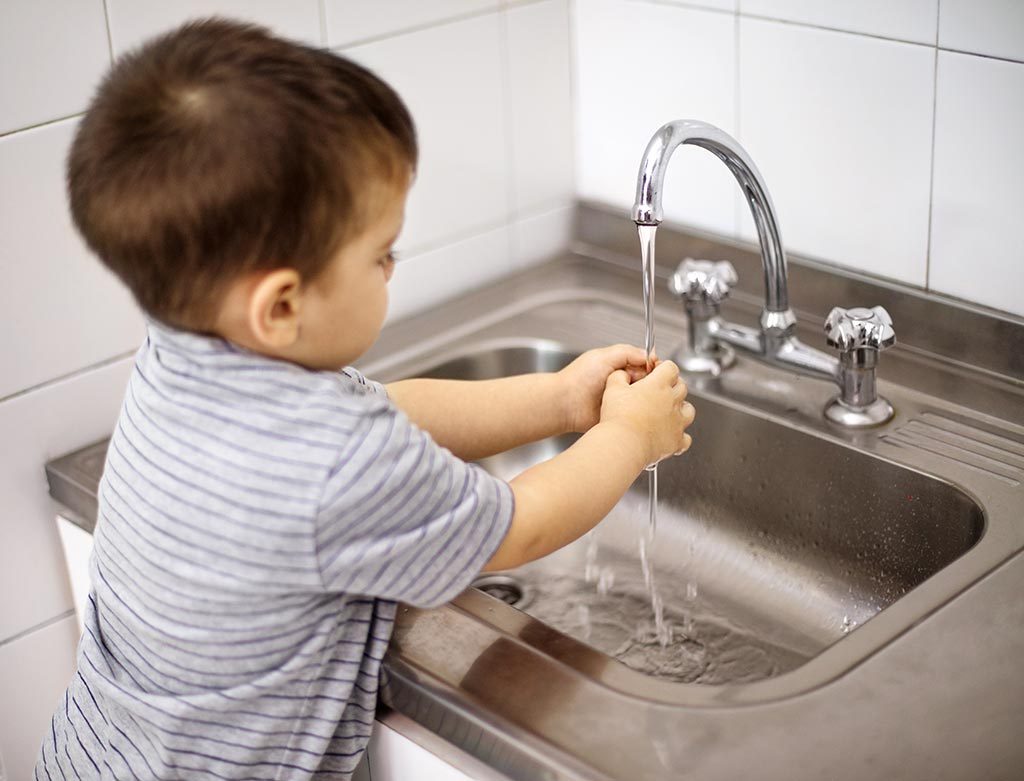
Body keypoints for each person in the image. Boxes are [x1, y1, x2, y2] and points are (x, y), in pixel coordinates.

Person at [37, 17, 695, 780]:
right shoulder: (333, 463)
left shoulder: (182, 352)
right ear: (281, 308)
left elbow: (386, 410)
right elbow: (522, 526)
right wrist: (629, 438)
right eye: (381, 252)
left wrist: (559, 399)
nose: (394, 263)